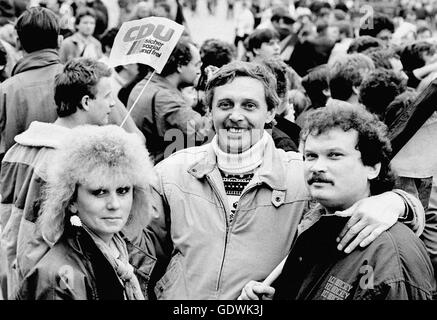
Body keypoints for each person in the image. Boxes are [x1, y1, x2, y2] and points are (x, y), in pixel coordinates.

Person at [142, 61, 425, 300]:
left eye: (249, 105)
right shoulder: (172, 172)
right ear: (210, 111)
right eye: (225, 104)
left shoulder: (302, 174)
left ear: (269, 113)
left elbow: (356, 199)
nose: (236, 115)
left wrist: (398, 202)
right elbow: (140, 254)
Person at [239, 104, 435, 300]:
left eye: (334, 155)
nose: (317, 167)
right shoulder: (316, 227)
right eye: (311, 156)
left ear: (373, 168)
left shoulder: (391, 255)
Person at [0, 58, 117, 299]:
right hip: (45, 283)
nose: (113, 104)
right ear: (86, 102)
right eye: (107, 96)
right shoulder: (68, 159)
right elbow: (51, 235)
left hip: (9, 276)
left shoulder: (18, 148)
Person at [15, 125, 156, 300]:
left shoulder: (123, 252)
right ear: (71, 200)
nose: (114, 204)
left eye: (123, 190)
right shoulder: (59, 277)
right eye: (99, 192)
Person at [127, 39, 210, 164]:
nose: (199, 71)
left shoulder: (145, 84)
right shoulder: (167, 99)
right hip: (161, 169)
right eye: (197, 65)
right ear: (180, 66)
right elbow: (203, 134)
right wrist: (213, 93)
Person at [0, 7, 63, 164]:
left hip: (18, 185)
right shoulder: (83, 80)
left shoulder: (6, 90)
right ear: (59, 41)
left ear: (17, 43)